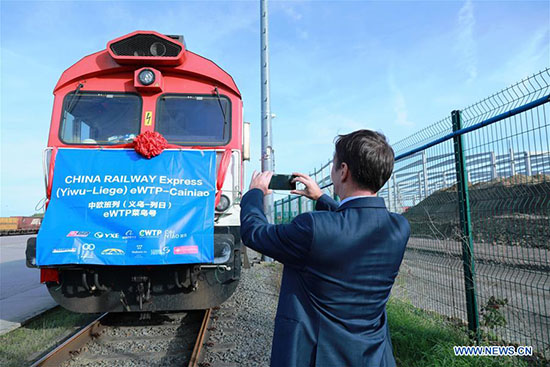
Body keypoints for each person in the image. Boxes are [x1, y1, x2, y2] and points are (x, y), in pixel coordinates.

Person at [240, 129, 410, 367]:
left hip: (320, 357)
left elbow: (254, 233)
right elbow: (354, 225)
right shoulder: (399, 227)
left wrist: (254, 193)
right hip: (374, 356)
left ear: (343, 171)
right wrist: (321, 197)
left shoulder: (312, 229)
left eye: (334, 165)